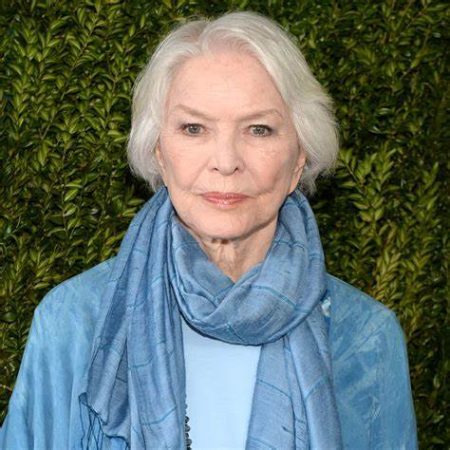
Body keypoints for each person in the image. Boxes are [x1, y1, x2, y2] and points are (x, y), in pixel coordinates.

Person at [0, 11, 417, 450]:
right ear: (158, 152)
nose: (225, 161)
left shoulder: (366, 337)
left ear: (299, 158)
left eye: (259, 129)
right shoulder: (75, 321)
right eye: (194, 128)